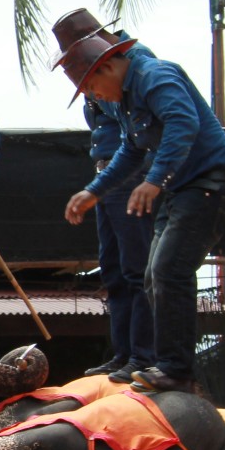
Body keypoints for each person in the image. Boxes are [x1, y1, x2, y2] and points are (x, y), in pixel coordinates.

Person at [57, 12, 225, 396]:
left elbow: (183, 124)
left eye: (92, 85)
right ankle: (166, 365)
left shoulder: (154, 75)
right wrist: (94, 190)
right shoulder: (127, 100)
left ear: (108, 65)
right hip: (183, 190)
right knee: (152, 275)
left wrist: (154, 180)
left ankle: (176, 370)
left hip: (211, 184)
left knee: (168, 270)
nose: (94, 97)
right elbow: (129, 149)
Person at [59, 19, 154, 377]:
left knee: (136, 269)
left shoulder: (139, 64)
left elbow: (142, 132)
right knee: (113, 269)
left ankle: (144, 356)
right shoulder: (105, 71)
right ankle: (124, 353)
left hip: (131, 173)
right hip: (106, 174)